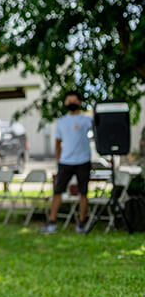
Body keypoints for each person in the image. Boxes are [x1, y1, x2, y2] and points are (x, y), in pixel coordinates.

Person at [40, 90, 94, 234]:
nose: (71, 103)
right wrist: (58, 159)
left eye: (74, 101)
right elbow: (57, 142)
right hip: (65, 162)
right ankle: (52, 222)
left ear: (79, 102)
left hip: (83, 161)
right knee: (57, 191)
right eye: (68, 101)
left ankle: (81, 224)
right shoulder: (61, 121)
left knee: (83, 193)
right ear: (65, 103)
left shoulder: (86, 120)